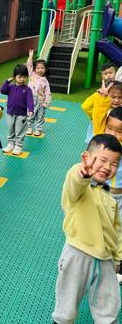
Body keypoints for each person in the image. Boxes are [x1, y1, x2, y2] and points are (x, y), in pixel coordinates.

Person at [52, 134, 122, 323]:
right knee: (66, 307)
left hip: (106, 260)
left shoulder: (109, 197)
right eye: (103, 160)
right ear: (87, 157)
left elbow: (116, 230)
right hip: (77, 255)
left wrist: (117, 257)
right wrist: (83, 172)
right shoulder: (79, 189)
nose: (108, 167)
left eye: (115, 163)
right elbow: (74, 182)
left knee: (108, 306)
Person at [103, 107, 122, 284]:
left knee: (120, 230)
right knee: (104, 227)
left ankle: (117, 264)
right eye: (110, 128)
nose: (114, 134)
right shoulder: (104, 146)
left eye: (119, 131)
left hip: (121, 197)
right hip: (105, 194)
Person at [0, 64, 34, 155]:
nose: (22, 79)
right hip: (10, 113)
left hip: (22, 114)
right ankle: (10, 144)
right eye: (19, 77)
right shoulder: (11, 87)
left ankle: (18, 146)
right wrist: (7, 81)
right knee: (11, 129)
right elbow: (2, 90)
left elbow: (30, 100)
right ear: (15, 77)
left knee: (20, 130)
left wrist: (31, 109)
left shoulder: (27, 90)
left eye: (24, 77)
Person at [26, 49, 51, 136]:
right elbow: (29, 65)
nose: (40, 70)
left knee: (40, 116)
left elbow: (48, 93)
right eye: (38, 68)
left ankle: (38, 129)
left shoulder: (45, 81)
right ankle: (29, 127)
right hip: (31, 100)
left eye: (42, 68)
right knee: (30, 114)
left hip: (40, 101)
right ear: (35, 69)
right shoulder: (32, 74)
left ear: (45, 69)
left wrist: (46, 103)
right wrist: (30, 56)